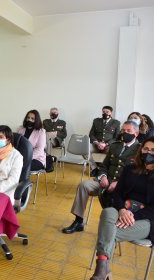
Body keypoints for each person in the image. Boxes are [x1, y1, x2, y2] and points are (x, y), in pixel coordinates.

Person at [90, 136, 154, 280]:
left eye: (153, 150)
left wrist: (132, 217)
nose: (148, 153)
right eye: (145, 149)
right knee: (107, 212)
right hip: (122, 210)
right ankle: (103, 270)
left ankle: (101, 270)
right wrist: (123, 210)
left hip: (148, 219)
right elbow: (117, 194)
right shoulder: (130, 168)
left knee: (108, 232)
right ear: (141, 150)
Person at [62, 121, 140, 234]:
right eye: (123, 130)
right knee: (84, 185)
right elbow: (104, 166)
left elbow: (136, 173)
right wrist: (103, 177)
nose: (125, 133)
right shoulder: (115, 146)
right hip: (105, 182)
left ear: (136, 133)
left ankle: (112, 229)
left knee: (115, 200)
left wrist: (118, 182)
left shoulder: (139, 150)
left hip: (123, 187)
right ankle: (78, 221)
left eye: (129, 131)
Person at [89, 106, 121, 176]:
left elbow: (116, 137)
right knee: (86, 150)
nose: (105, 113)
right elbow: (91, 134)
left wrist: (106, 144)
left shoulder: (116, 122)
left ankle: (103, 169)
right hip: (96, 144)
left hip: (108, 145)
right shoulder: (96, 121)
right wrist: (97, 143)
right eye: (103, 112)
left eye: (107, 112)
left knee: (111, 154)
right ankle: (94, 168)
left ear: (111, 113)